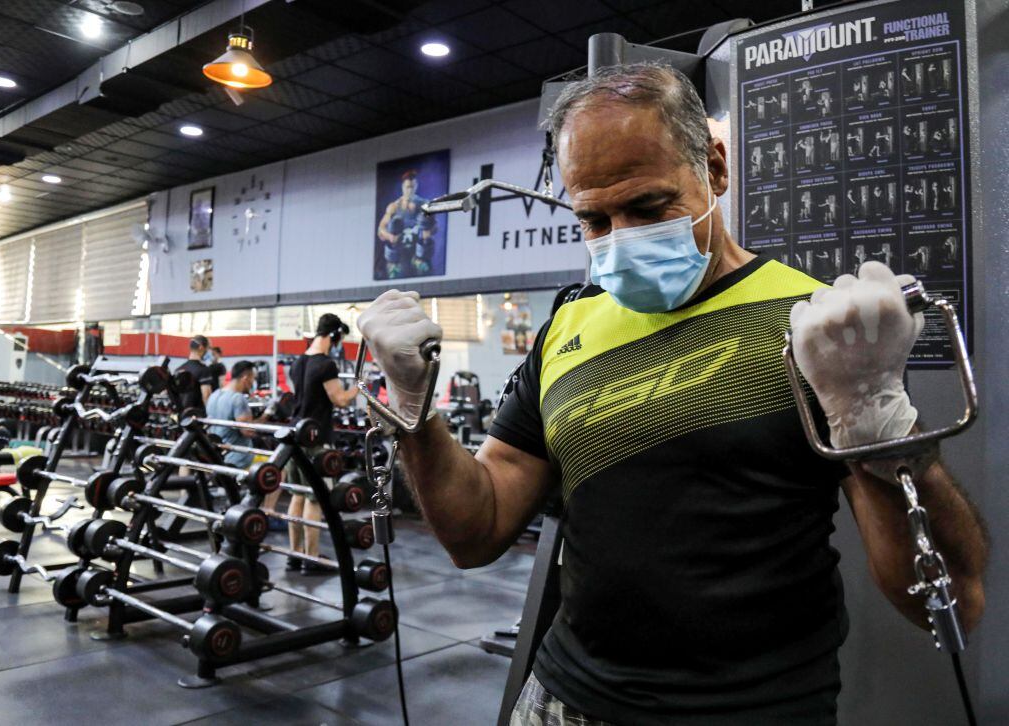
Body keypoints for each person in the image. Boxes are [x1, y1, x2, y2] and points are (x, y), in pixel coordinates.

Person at [357, 63, 987, 725]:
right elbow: (476, 532)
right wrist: (415, 414)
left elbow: (945, 602)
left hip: (752, 712)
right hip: (564, 700)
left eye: (649, 207)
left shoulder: (815, 330)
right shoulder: (568, 325)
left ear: (714, 168)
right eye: (595, 220)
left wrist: (877, 428)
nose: (622, 239)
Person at [285, 313, 359, 573]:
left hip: (294, 435)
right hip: (316, 439)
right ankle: (312, 558)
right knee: (315, 500)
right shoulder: (326, 364)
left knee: (297, 495)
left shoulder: (298, 361)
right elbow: (339, 399)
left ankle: (295, 554)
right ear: (334, 336)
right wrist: (358, 388)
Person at [206, 359, 275, 493]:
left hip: (218, 457)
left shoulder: (214, 395)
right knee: (277, 468)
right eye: (252, 379)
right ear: (245, 377)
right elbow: (247, 431)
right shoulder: (238, 398)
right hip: (240, 458)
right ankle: (266, 510)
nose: (252, 384)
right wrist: (267, 414)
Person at [377, 170, 437, 279]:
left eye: (412, 187)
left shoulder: (424, 204)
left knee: (424, 273)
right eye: (407, 187)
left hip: (419, 251)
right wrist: (390, 237)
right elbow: (381, 229)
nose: (410, 190)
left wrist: (428, 232)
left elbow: (435, 227)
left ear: (416, 186)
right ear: (402, 187)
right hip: (398, 252)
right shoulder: (394, 206)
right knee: (395, 223)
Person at [175, 335, 215, 412]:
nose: (208, 351)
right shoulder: (203, 370)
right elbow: (206, 395)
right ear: (201, 347)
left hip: (182, 415)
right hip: (197, 416)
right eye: (208, 348)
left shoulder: (178, 369)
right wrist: (211, 415)